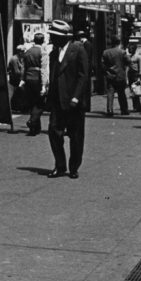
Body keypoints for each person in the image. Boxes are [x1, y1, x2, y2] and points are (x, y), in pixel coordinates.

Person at [44, 19, 90, 179]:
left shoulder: (78, 50)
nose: (51, 38)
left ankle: (74, 167)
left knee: (76, 137)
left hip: (73, 102)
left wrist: (77, 97)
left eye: (54, 35)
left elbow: (83, 76)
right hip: (57, 101)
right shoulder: (53, 53)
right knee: (53, 133)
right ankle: (60, 165)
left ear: (63, 37)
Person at [20, 32, 48, 135]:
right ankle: (32, 121)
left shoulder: (27, 52)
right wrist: (44, 85)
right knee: (40, 103)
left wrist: (22, 79)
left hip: (28, 78)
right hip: (38, 78)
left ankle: (35, 129)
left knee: (32, 103)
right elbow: (44, 69)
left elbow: (23, 67)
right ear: (43, 41)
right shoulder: (42, 51)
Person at [101, 37, 130, 116]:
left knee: (110, 93)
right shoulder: (122, 52)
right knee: (121, 93)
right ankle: (124, 109)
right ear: (119, 43)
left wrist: (106, 72)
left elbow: (102, 65)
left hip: (110, 75)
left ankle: (110, 110)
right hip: (120, 75)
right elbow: (128, 61)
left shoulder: (106, 52)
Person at [7, 42, 27, 112]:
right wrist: (23, 70)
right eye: (24, 51)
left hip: (19, 81)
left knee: (19, 95)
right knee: (11, 96)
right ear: (20, 52)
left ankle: (18, 107)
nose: (25, 53)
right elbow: (17, 72)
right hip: (14, 81)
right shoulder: (14, 59)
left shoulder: (22, 59)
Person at [126, 42, 141, 113]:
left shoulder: (137, 57)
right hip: (130, 74)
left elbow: (140, 67)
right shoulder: (129, 57)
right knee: (132, 91)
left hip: (135, 74)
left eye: (130, 48)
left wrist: (139, 75)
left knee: (136, 91)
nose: (129, 50)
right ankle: (135, 106)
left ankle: (139, 107)